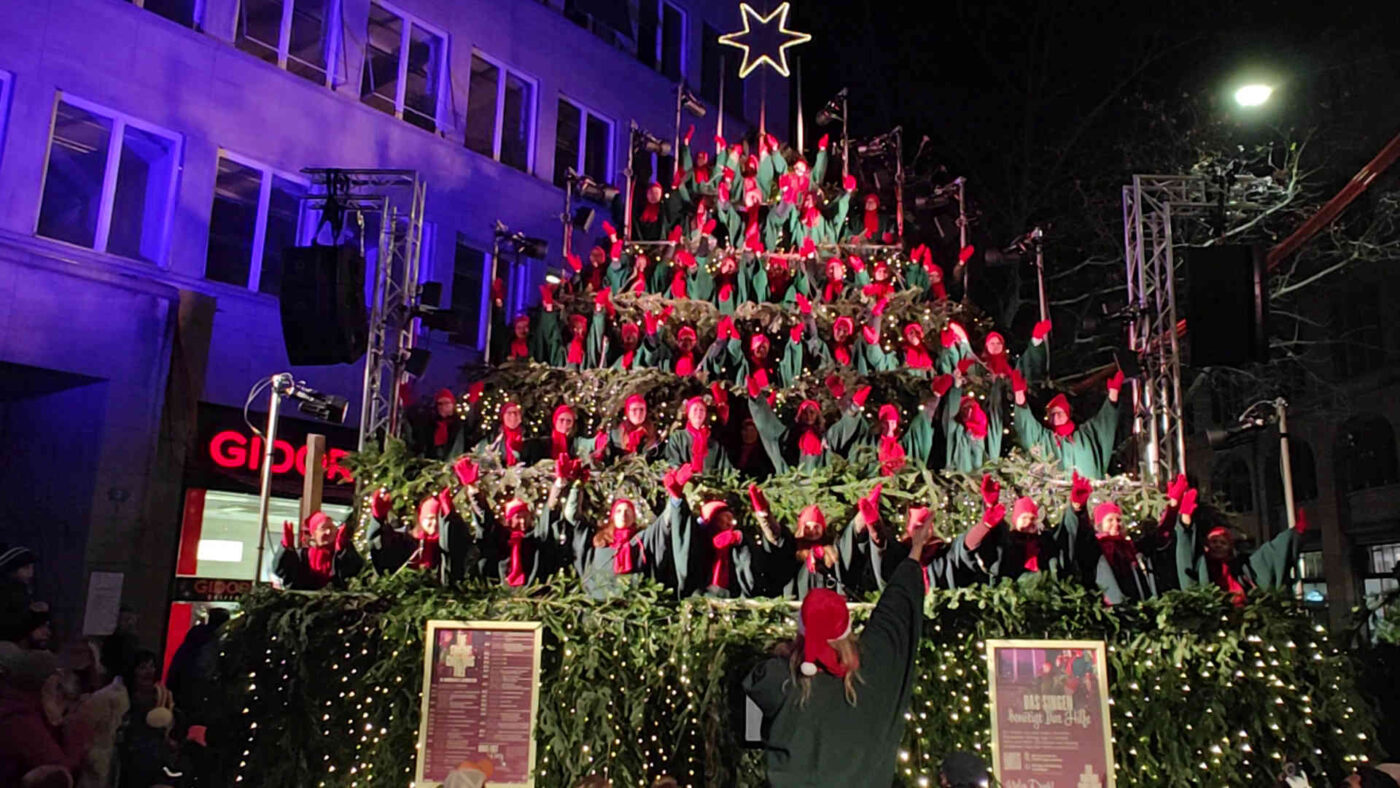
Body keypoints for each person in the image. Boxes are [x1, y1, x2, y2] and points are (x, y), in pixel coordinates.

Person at [742, 509, 935, 787]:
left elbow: (750, 727)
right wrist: (915, 550)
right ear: (845, 627)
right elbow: (897, 609)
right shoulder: (873, 665)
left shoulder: (778, 678)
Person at [1177, 501, 1304, 605]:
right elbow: (1186, 555)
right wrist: (1185, 520)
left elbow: (1268, 554)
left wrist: (1293, 535)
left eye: (1223, 542)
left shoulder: (1240, 566)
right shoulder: (1201, 564)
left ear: (1230, 547)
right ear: (1207, 545)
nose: (1218, 545)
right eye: (1214, 541)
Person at [1011, 367, 1123, 479]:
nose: (1056, 416)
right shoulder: (1044, 439)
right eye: (1052, 414)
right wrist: (1019, 394)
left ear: (1068, 413)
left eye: (1060, 412)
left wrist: (1113, 393)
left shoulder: (1085, 436)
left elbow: (1104, 423)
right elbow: (1026, 426)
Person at [272, 511, 361, 590]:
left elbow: (353, 571)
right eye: (323, 528)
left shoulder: (339, 554)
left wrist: (343, 550)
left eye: (331, 527)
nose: (328, 532)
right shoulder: (302, 556)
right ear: (313, 534)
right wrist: (287, 549)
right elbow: (282, 572)